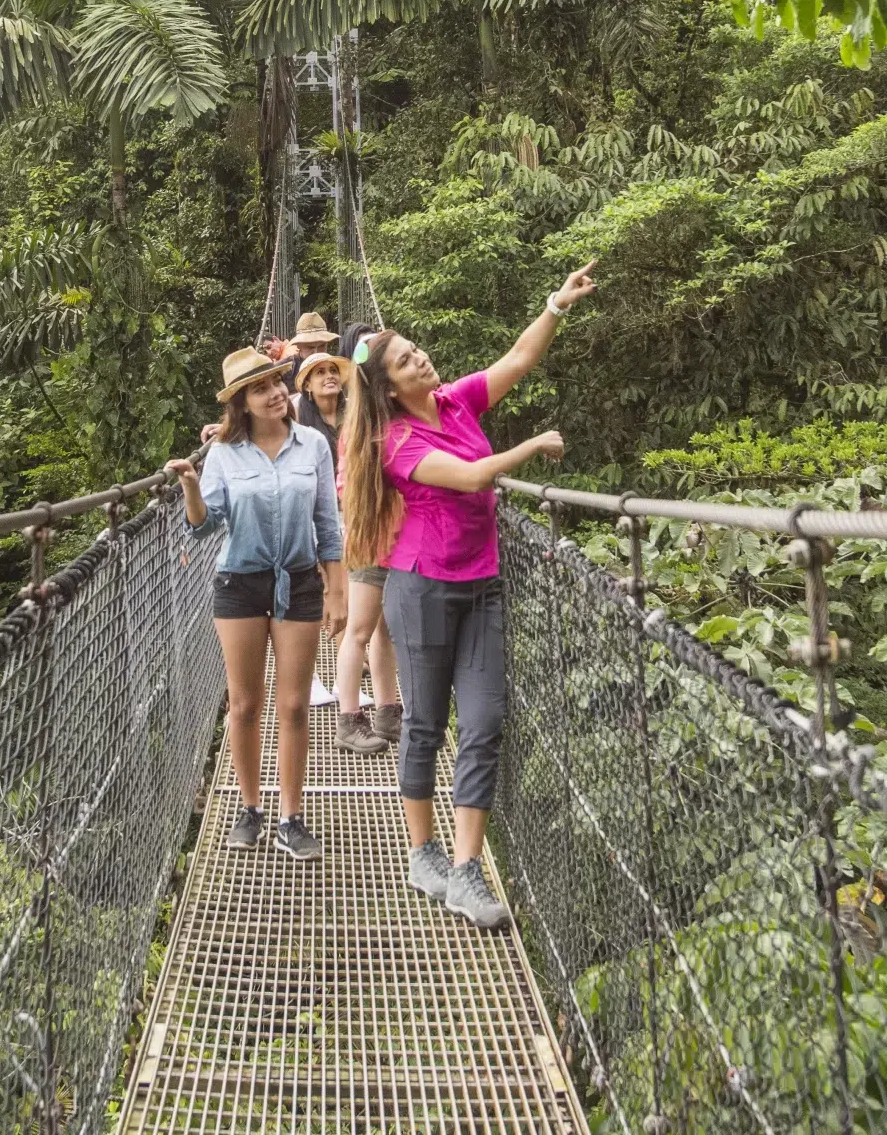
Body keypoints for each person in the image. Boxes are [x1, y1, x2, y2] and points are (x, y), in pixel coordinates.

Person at [340, 264, 599, 929]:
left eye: (414, 349)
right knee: (425, 723)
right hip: (422, 587)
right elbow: (473, 475)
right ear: (389, 388)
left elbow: (518, 357)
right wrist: (533, 444)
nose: (418, 357)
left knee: (483, 724)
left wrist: (555, 305)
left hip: (481, 584)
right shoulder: (394, 439)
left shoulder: (457, 401)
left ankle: (465, 868)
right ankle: (421, 852)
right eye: (403, 359)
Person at [170, 345, 346, 861]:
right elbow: (203, 530)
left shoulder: (313, 445)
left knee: (293, 705)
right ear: (240, 403)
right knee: (245, 704)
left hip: (299, 581)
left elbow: (328, 525)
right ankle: (250, 809)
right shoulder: (223, 454)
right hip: (239, 583)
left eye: (275, 384)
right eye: (259, 388)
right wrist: (190, 486)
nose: (273, 394)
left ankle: (292, 817)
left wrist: (336, 591)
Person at [300, 348, 399, 755]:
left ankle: (389, 711)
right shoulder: (312, 417)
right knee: (357, 629)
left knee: (383, 629)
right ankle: (350, 716)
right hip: (355, 530)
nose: (329, 377)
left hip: (382, 532)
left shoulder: (359, 414)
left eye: (333, 371)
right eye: (318, 372)